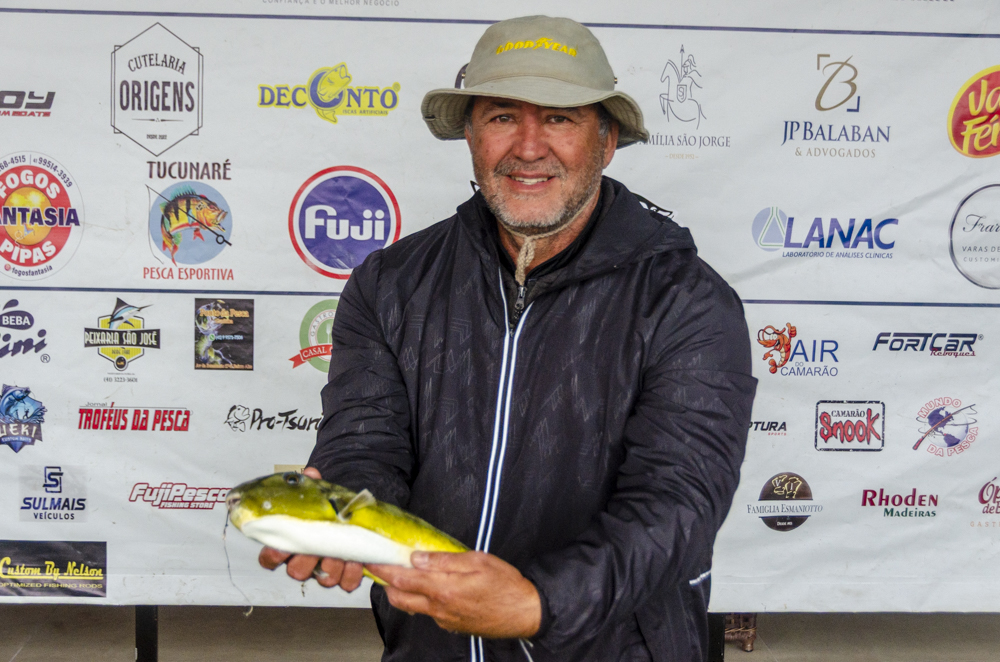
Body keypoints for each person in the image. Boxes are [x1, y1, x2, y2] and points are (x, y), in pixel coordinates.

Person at [260, 15, 756, 662]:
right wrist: (348, 516)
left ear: (606, 141)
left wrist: (537, 604)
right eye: (501, 117)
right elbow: (365, 445)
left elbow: (678, 505)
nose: (527, 147)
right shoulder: (390, 283)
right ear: (470, 135)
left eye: (559, 118)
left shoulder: (687, 300)